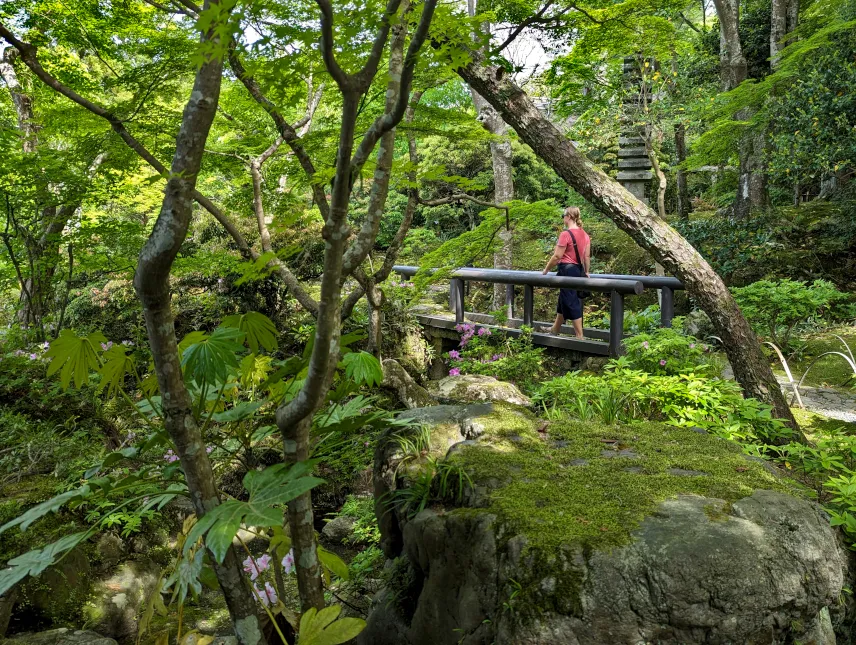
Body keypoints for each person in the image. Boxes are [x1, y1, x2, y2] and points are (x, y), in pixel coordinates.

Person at [541, 206, 591, 338]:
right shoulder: (585, 234)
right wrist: (586, 271)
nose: (563, 218)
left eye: (563, 215)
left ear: (568, 217)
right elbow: (586, 257)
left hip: (566, 270)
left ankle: (580, 336)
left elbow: (557, 256)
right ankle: (555, 329)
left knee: (571, 302)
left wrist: (546, 270)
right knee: (564, 299)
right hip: (578, 270)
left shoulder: (565, 234)